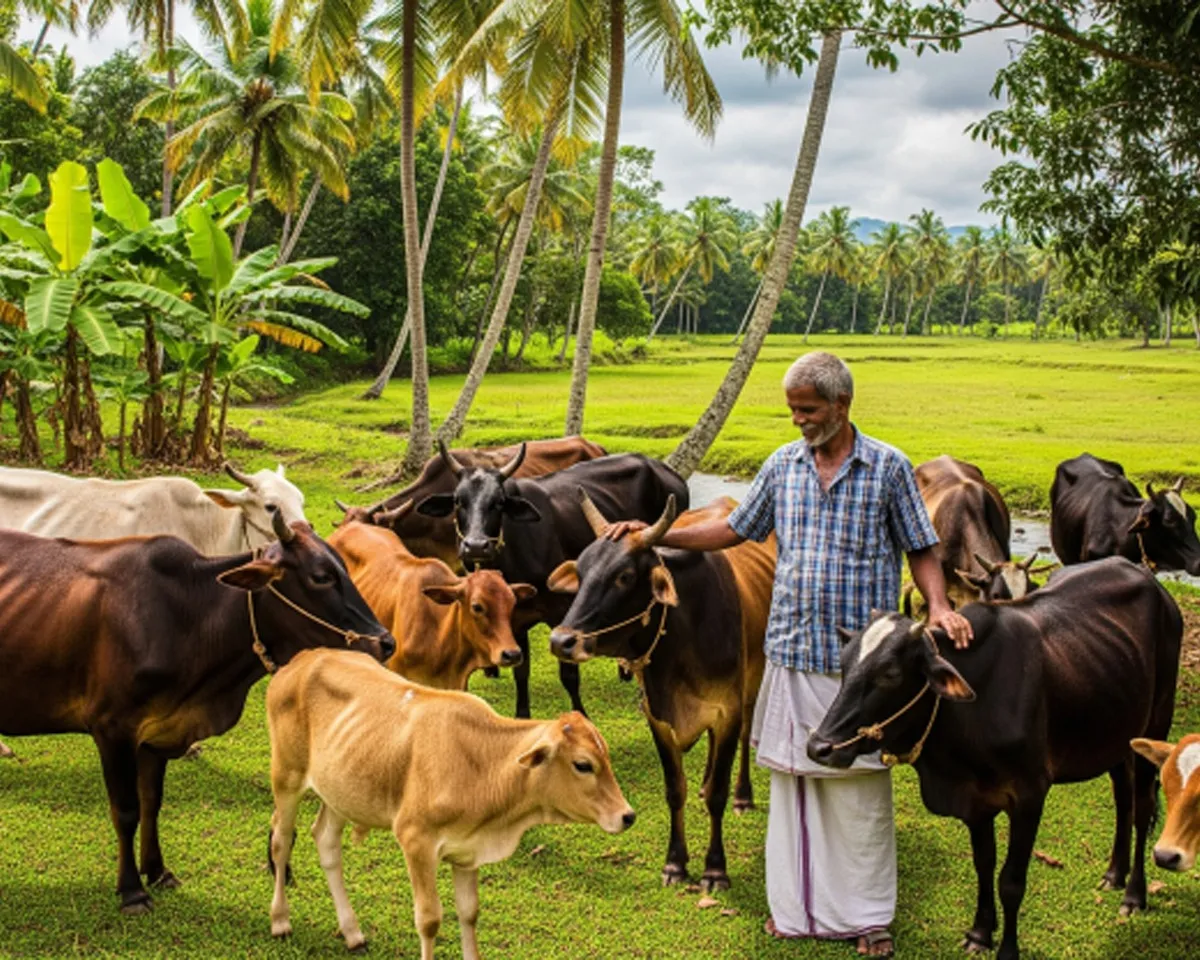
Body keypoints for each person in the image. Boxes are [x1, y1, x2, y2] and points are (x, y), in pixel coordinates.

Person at [605, 351, 971, 958]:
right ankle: (795, 911)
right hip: (791, 649)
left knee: (856, 791)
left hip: (862, 666)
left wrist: (937, 608)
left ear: (841, 405)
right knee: (794, 788)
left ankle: (867, 917)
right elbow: (735, 529)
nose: (798, 419)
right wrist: (657, 536)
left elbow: (921, 547)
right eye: (793, 410)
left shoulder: (888, 468)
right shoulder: (782, 466)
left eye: (808, 409)